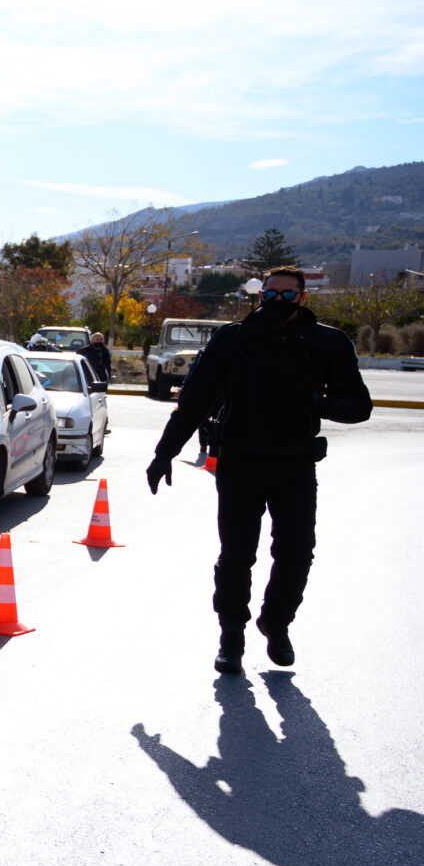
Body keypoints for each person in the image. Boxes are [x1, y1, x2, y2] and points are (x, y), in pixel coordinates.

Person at [146, 267, 371, 674]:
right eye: (271, 295)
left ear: (303, 298)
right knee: (236, 555)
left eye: (288, 295)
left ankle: (276, 622)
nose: (278, 302)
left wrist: (319, 405)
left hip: (295, 463)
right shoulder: (233, 339)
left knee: (297, 552)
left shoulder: (328, 343)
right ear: (260, 295)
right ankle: (231, 635)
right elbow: (195, 400)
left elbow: (359, 407)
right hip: (239, 462)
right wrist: (164, 453)